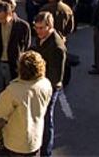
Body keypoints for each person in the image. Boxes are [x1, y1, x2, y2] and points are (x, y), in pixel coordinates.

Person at [0, 50, 52, 156]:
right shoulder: (45, 84)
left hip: (15, 143)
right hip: (35, 140)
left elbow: (0, 112)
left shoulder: (13, 90)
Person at [32, 11, 67, 157]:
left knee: (46, 120)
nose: (38, 31)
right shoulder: (43, 38)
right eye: (36, 28)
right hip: (40, 84)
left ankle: (46, 153)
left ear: (49, 26)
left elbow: (55, 77)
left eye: (41, 28)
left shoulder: (57, 47)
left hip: (49, 88)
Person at [0, 0, 31, 101]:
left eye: (3, 18)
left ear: (10, 13)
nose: (0, 21)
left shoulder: (22, 26)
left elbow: (26, 45)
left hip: (13, 63)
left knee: (13, 93)